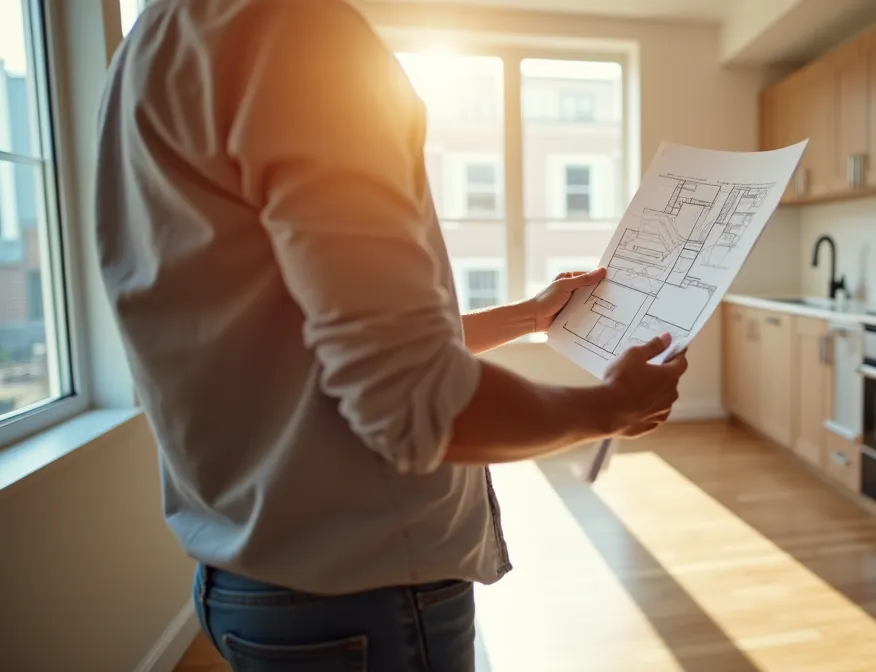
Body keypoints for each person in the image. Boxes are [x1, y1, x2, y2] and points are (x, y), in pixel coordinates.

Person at [93, 0, 688, 669]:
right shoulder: (297, 33)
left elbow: (325, 346)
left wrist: (528, 315)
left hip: (246, 575)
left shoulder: (155, 42)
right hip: (361, 594)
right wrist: (611, 407)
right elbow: (416, 404)